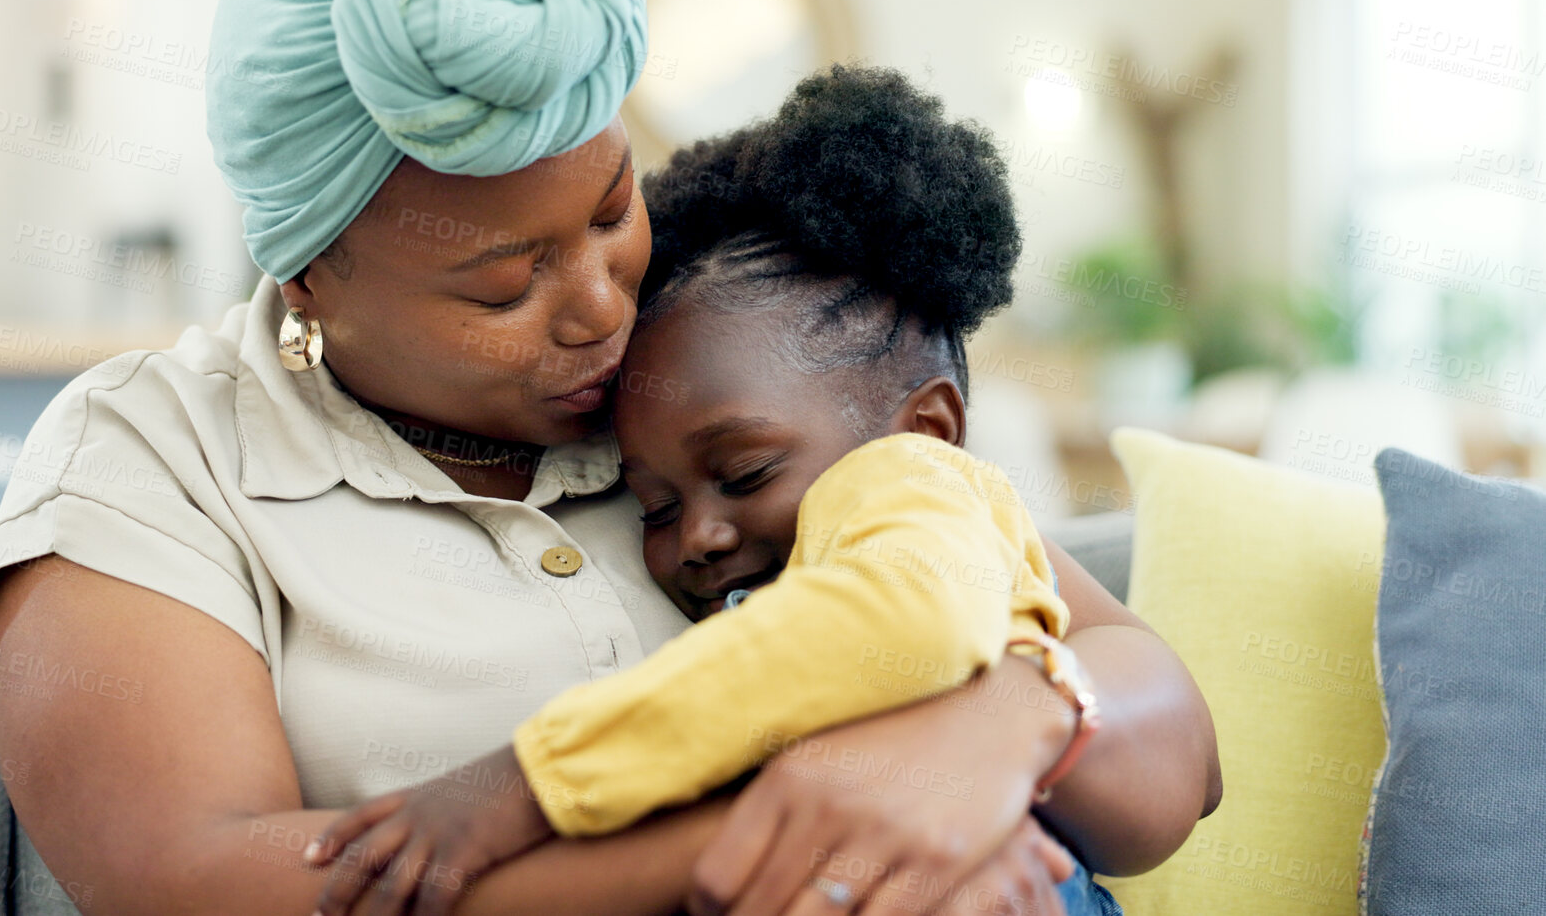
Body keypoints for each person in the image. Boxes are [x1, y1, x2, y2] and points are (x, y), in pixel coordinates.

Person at [0, 0, 1223, 913]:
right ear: (311, 278)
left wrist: (996, 735)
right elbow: (189, 881)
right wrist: (779, 829)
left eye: (615, 207)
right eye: (504, 285)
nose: (601, 306)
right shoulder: (160, 456)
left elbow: (1162, 731)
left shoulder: (713, 366)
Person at [304, 64, 1129, 916]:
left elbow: (900, 621)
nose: (695, 535)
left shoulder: (918, 484)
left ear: (925, 428)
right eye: (656, 507)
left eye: (745, 474)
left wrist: (530, 780)